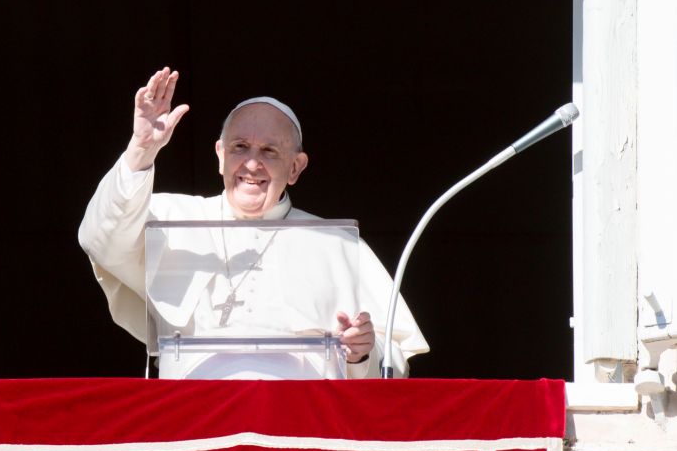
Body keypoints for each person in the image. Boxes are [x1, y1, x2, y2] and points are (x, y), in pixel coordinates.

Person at [79, 67, 428, 378]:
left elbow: (395, 363)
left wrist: (362, 353)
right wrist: (141, 150)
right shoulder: (169, 219)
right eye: (240, 147)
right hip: (197, 423)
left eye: (269, 152)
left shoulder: (337, 243)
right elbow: (101, 239)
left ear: (295, 168)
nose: (251, 164)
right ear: (220, 155)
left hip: (299, 428)